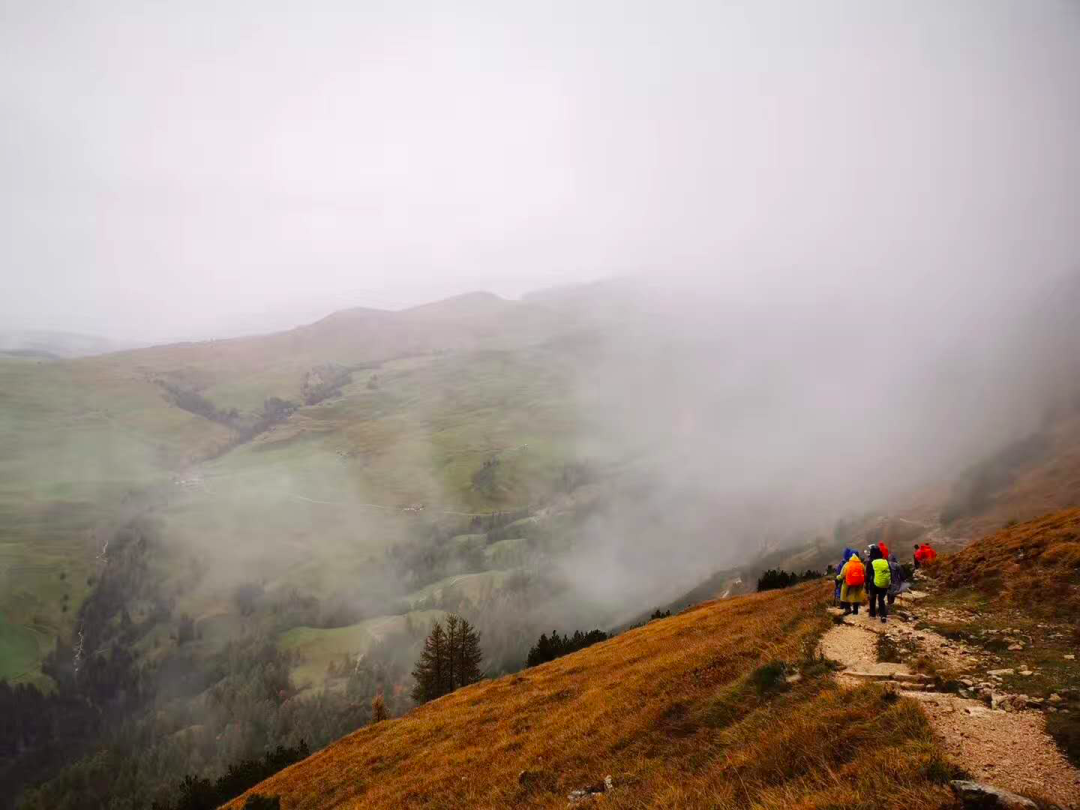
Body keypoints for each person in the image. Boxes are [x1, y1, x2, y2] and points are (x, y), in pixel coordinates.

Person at [837, 550, 866, 616]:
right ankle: (855, 610)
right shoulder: (861, 564)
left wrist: (837, 578)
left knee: (846, 596)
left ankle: (848, 609)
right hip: (859, 584)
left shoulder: (847, 564)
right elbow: (864, 573)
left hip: (848, 583)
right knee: (856, 595)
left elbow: (842, 575)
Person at [868, 546, 891, 623]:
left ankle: (872, 614)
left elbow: (868, 574)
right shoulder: (885, 561)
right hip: (885, 583)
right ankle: (883, 615)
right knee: (881, 599)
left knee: (872, 598)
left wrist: (866, 585)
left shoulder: (871, 562)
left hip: (874, 584)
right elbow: (890, 571)